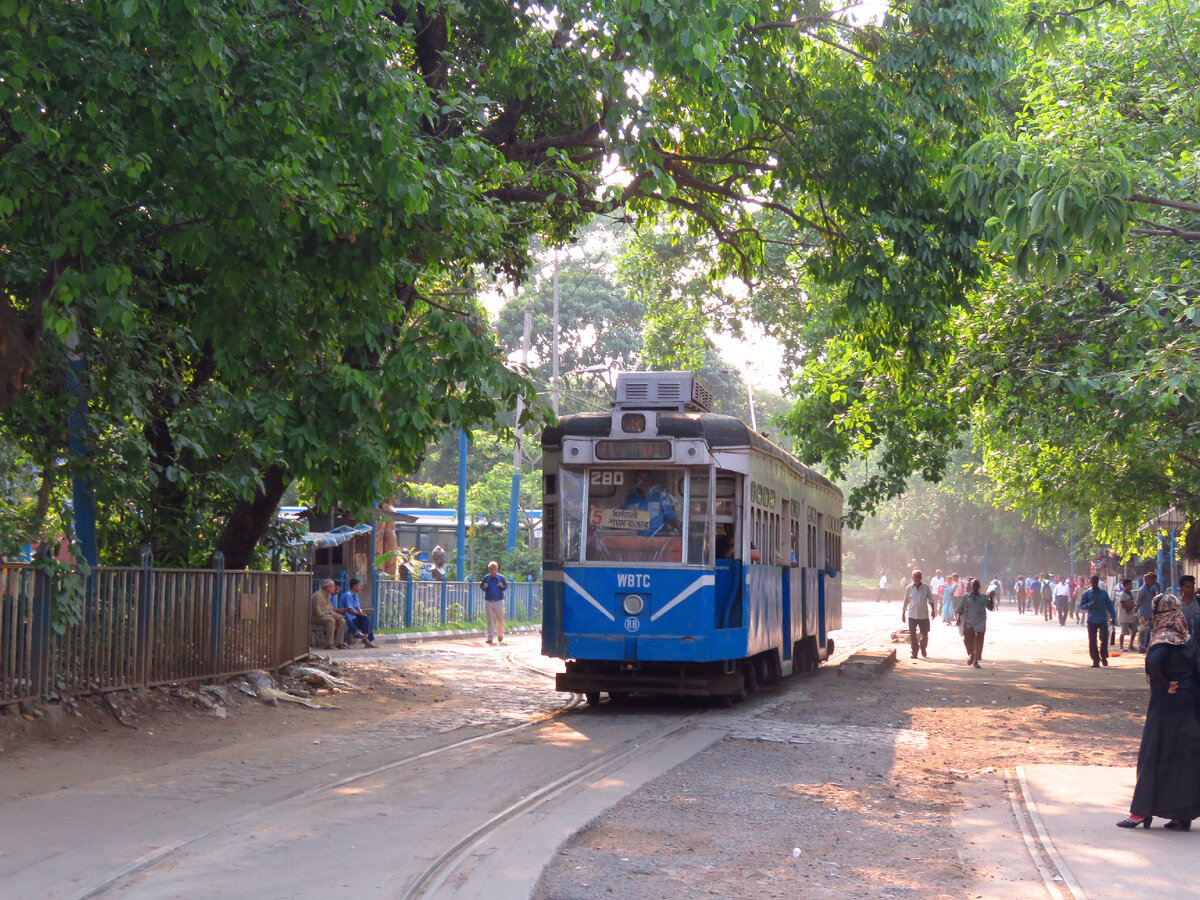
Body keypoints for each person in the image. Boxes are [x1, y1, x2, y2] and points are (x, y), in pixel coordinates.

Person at [1116, 595, 1200, 830]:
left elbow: (1153, 662)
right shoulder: (1188, 639)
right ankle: (1182, 816)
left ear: (1159, 614)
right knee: (1184, 759)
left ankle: (1140, 813)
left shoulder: (1163, 638)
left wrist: (1163, 685)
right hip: (1189, 705)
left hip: (1167, 707)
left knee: (1153, 755)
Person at [623, 470, 678, 536]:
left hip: (657, 539)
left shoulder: (659, 497)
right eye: (640, 479)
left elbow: (670, 517)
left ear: (651, 480)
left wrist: (681, 527)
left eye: (646, 479)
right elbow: (623, 519)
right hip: (634, 538)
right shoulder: (630, 499)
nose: (643, 482)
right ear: (636, 481)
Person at [1079, 574, 1116, 668]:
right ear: (1091, 583)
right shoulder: (1087, 594)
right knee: (1092, 641)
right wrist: (1089, 605)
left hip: (1103, 619)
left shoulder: (1103, 594)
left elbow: (1109, 606)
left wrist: (1113, 617)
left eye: (1096, 582)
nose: (1094, 584)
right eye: (1093, 583)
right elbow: (1082, 606)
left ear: (1098, 582)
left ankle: (1103, 656)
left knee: (1104, 639)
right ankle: (1095, 660)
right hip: (1092, 620)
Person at [956, 578, 992, 668]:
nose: (975, 587)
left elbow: (990, 608)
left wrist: (991, 598)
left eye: (977, 585)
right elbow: (960, 609)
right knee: (967, 641)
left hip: (980, 622)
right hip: (969, 622)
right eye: (974, 585)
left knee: (979, 642)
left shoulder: (983, 597)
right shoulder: (966, 597)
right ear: (971, 586)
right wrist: (958, 619)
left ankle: (976, 660)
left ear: (979, 586)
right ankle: (971, 654)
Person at [900, 569, 935, 660]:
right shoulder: (909, 588)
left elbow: (931, 599)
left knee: (925, 634)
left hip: (923, 615)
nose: (917, 579)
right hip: (912, 615)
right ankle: (914, 651)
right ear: (912, 577)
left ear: (921, 577)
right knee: (912, 634)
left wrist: (933, 610)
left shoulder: (926, 587)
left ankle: (923, 647)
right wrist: (903, 613)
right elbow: (906, 601)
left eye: (919, 577)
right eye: (915, 577)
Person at [335, 578, 377, 648]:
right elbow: (349, 609)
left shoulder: (355, 595)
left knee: (365, 617)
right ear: (354, 586)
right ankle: (366, 640)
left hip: (355, 617)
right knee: (364, 619)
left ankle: (368, 639)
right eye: (359, 585)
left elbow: (358, 607)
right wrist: (358, 614)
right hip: (349, 618)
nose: (360, 587)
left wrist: (361, 612)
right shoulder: (348, 595)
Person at [310, 578, 348, 650]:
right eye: (333, 586)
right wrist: (332, 615)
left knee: (342, 620)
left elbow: (330, 610)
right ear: (328, 587)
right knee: (331, 620)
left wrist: (336, 615)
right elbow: (318, 612)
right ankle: (329, 644)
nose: (334, 588)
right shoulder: (317, 596)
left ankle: (339, 643)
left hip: (324, 616)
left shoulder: (327, 595)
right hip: (315, 617)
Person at [480, 560, 508, 645]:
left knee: (500, 620)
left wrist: (501, 586)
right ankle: (490, 637)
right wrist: (484, 586)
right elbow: (481, 586)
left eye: (494, 569)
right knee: (490, 620)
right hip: (489, 601)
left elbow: (505, 587)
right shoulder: (486, 578)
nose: (492, 571)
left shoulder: (500, 578)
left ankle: (500, 634)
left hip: (498, 601)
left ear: (497, 569)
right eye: (491, 569)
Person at [1136, 571, 1159, 652]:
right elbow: (1138, 602)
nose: (1154, 582)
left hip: (1150, 613)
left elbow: (1156, 597)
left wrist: (1158, 588)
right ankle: (1141, 647)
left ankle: (1151, 646)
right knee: (1143, 631)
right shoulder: (1142, 590)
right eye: (1153, 580)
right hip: (1144, 614)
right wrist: (1135, 612)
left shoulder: (1150, 589)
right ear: (1148, 580)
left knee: (1153, 631)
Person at [1116, 577, 1138, 650]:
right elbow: (1123, 606)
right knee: (1123, 632)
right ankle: (1121, 646)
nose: (1131, 586)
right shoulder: (1122, 594)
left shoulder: (1130, 593)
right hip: (1124, 616)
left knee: (1134, 630)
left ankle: (1131, 645)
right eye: (1130, 584)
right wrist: (1132, 606)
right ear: (1125, 585)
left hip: (1131, 615)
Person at [1179, 575, 1200, 642]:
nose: (1191, 589)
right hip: (1183, 645)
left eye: (1192, 587)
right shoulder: (1177, 606)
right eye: (1187, 587)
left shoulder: (1198, 602)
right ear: (1181, 588)